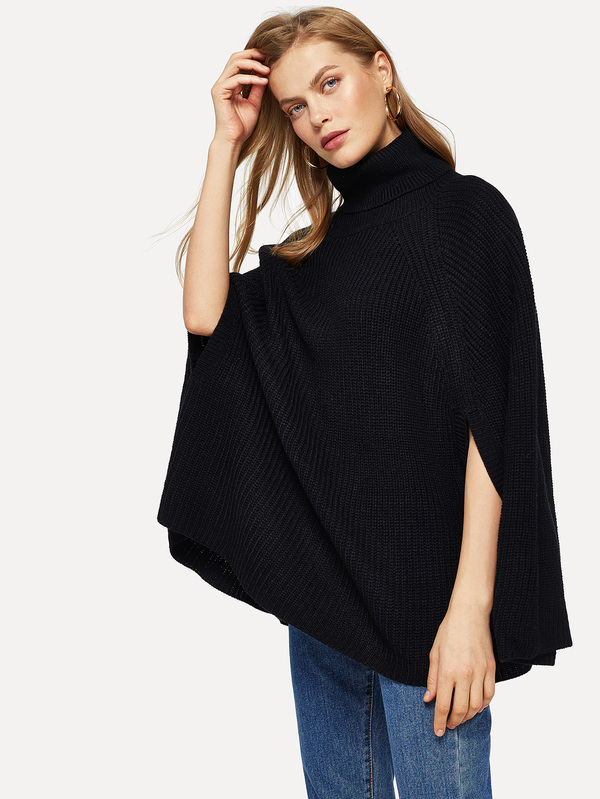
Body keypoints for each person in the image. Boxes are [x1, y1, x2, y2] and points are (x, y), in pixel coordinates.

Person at [156, 7, 573, 798]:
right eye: (295, 106)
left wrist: (470, 609)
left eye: (329, 83)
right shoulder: (319, 252)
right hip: (325, 609)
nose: (316, 117)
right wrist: (224, 144)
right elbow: (206, 314)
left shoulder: (468, 215)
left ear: (381, 71)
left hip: (431, 614)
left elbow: (494, 425)